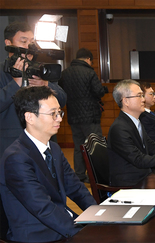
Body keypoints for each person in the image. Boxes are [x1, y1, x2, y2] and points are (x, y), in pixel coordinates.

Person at [0, 86, 96, 242]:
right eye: (53, 114)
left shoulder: (54, 148)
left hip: (60, 223)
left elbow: (76, 188)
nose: (59, 118)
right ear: (30, 117)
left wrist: (98, 215)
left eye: (59, 112)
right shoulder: (16, 158)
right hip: (38, 234)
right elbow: (43, 208)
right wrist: (80, 233)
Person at [0, 21, 67, 159]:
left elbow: (62, 99)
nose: (28, 47)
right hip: (10, 145)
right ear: (8, 43)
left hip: (43, 142)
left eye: (31, 42)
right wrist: (15, 83)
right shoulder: (2, 71)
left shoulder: (39, 69)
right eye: (23, 41)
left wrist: (46, 84)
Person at [59, 48, 107, 183]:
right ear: (88, 59)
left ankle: (80, 175)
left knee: (78, 146)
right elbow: (98, 92)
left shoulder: (65, 74)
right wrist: (104, 89)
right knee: (95, 146)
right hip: (90, 116)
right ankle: (98, 176)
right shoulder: (89, 73)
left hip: (73, 115)